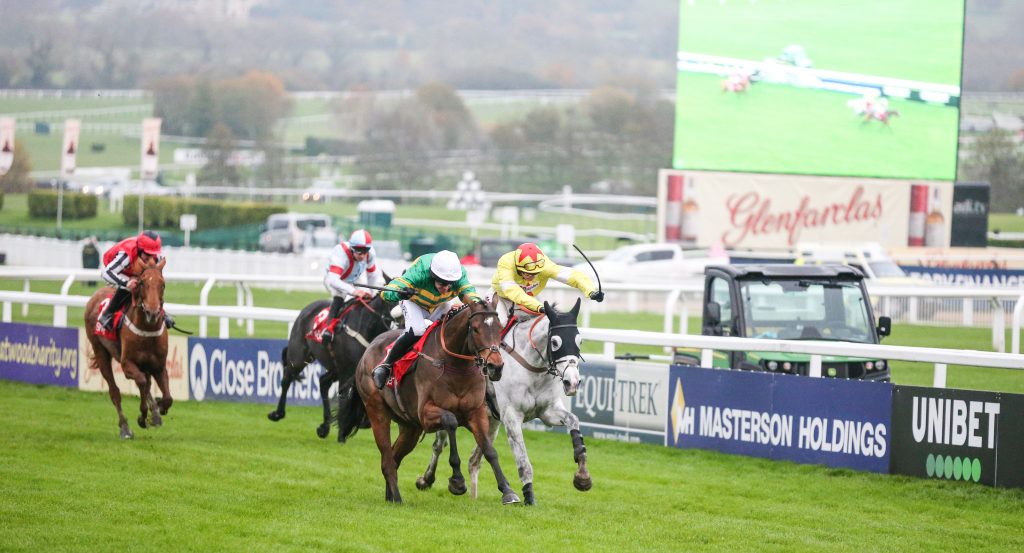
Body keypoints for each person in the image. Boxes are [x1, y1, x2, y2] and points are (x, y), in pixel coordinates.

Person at [371, 250, 482, 390]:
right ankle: (385, 365)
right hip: (414, 303)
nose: (446, 288)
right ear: (432, 275)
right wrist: (401, 292)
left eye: (450, 284)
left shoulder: (458, 273)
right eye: (442, 283)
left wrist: (479, 305)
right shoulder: (421, 269)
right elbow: (387, 292)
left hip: (440, 305)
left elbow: (470, 294)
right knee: (417, 330)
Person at [491, 242, 603, 326]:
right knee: (501, 323)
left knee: (544, 326)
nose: (532, 277)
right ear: (517, 267)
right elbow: (513, 292)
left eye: (536, 273)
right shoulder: (506, 263)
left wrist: (591, 291)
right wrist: (539, 307)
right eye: (528, 273)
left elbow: (573, 276)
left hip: (529, 299)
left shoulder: (545, 266)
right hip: (501, 298)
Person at [95, 230, 170, 334]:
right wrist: (126, 283)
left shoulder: (156, 256)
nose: (150, 259)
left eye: (153, 255)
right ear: (139, 249)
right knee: (133, 284)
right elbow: (105, 273)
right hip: (115, 268)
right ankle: (107, 314)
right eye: (147, 255)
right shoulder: (126, 255)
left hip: (135, 266)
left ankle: (162, 313)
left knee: (152, 284)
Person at [321, 229, 384, 344]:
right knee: (341, 295)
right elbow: (333, 279)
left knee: (368, 298)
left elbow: (372, 275)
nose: (363, 255)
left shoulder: (370, 254)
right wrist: (353, 292)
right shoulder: (341, 253)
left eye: (365, 251)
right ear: (352, 248)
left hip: (354, 278)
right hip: (335, 279)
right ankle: (328, 329)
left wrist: (372, 293)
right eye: (359, 252)